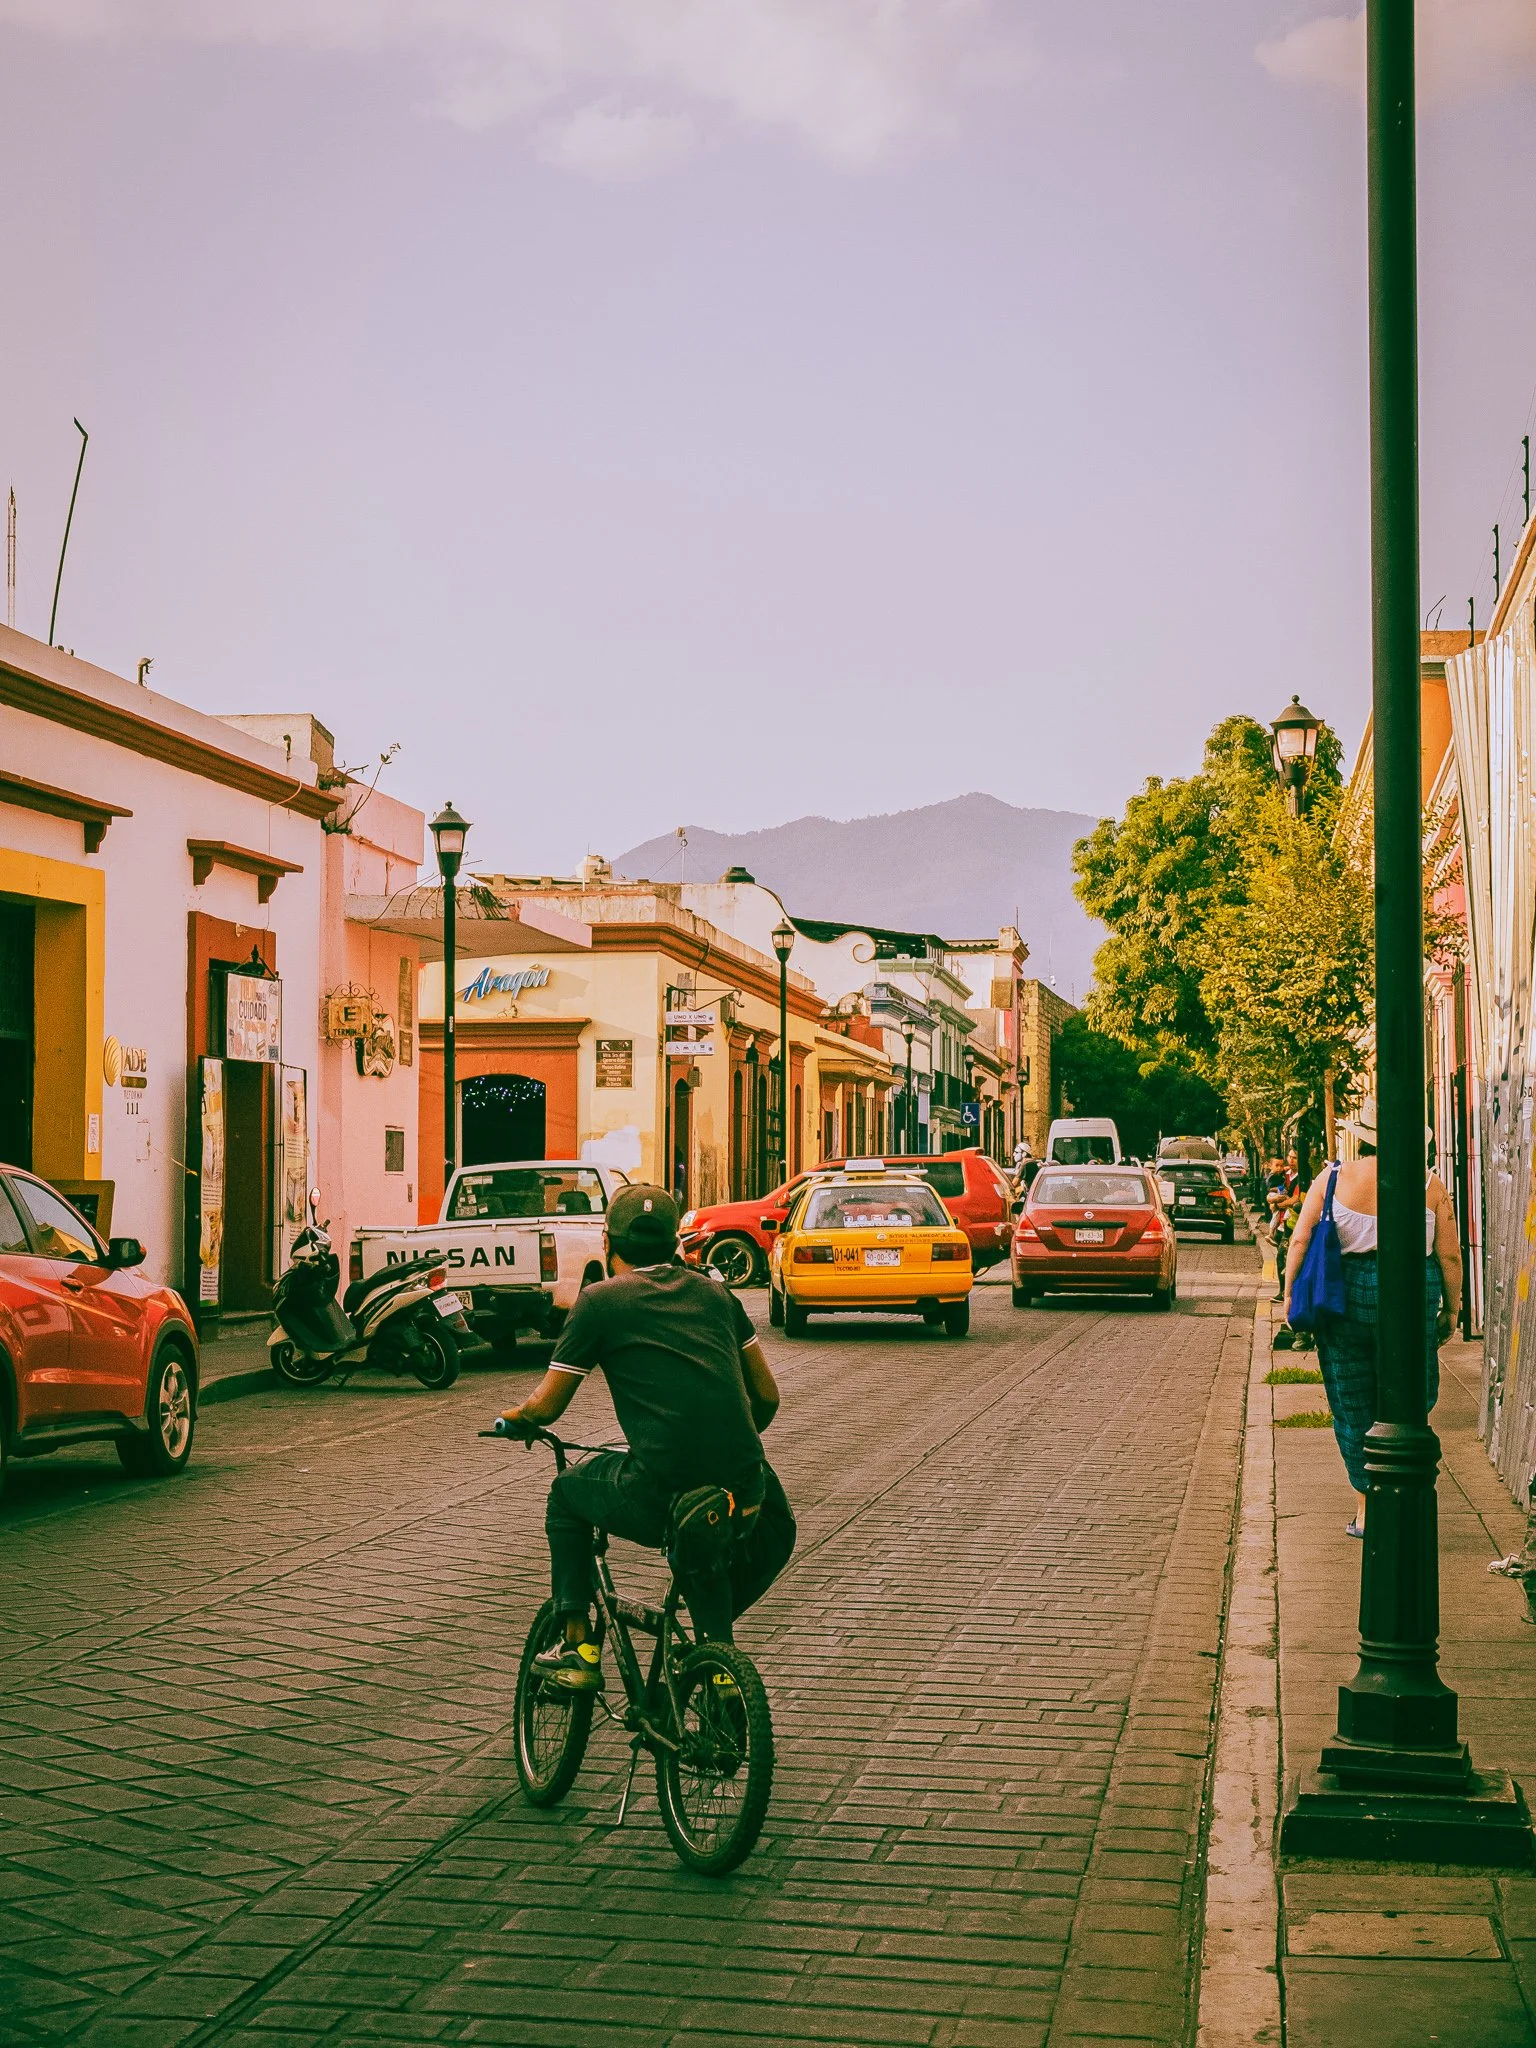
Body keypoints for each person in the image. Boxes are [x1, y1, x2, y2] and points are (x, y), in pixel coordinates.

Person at [499, 1183, 792, 1690]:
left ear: (607, 1242)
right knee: (730, 1536)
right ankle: (713, 1657)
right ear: (676, 1244)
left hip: (661, 1489)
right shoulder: (717, 1294)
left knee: (567, 1495)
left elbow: (548, 1405)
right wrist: (722, 1446)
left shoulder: (599, 1303)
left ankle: (577, 1647)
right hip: (744, 1490)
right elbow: (765, 1398)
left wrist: (519, 1417)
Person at [1283, 1098, 1463, 1539]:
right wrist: (1453, 1308)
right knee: (1410, 1400)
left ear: (1363, 1136)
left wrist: (1291, 1299)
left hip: (1342, 1296)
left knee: (1350, 1402)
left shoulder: (1333, 1177)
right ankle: (1410, 1501)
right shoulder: (1430, 1184)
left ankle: (1367, 1509)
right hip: (1413, 1291)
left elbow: (1301, 1240)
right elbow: (1450, 1255)